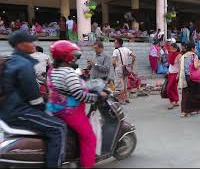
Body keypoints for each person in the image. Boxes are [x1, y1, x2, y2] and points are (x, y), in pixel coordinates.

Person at [0, 30, 67, 168]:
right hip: (19, 112)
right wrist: (46, 109)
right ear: (20, 45)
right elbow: (34, 97)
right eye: (30, 42)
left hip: (10, 109)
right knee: (59, 127)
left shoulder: (13, 60)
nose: (33, 44)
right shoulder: (24, 64)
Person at [46, 40, 107, 168]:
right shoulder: (68, 73)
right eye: (72, 54)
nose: (74, 57)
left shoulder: (52, 70)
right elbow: (79, 95)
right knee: (89, 138)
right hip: (70, 112)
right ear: (65, 56)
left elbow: (64, 89)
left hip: (53, 109)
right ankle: (87, 165)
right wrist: (96, 97)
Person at [178, 42, 200, 117]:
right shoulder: (194, 55)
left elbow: (180, 67)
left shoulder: (183, 56)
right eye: (195, 48)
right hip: (193, 77)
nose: (195, 49)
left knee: (186, 94)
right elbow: (195, 66)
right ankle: (196, 109)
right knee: (196, 93)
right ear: (192, 48)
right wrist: (199, 63)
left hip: (185, 77)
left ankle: (185, 111)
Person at [112, 38, 136, 105]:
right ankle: (126, 98)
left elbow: (113, 62)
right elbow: (134, 56)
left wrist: (115, 66)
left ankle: (121, 100)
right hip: (125, 69)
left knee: (120, 85)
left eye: (115, 43)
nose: (114, 44)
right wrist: (132, 64)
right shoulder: (126, 49)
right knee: (125, 84)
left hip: (119, 69)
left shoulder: (116, 51)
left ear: (118, 43)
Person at [167, 43, 182, 109]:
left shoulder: (179, 55)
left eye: (172, 48)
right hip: (170, 72)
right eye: (171, 48)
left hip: (175, 73)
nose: (171, 49)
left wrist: (178, 74)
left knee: (169, 88)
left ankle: (172, 101)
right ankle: (176, 101)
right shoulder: (170, 54)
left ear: (176, 49)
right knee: (173, 87)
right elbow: (170, 64)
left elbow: (180, 66)